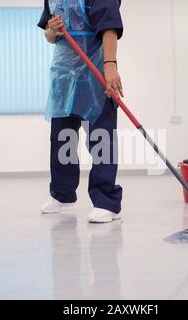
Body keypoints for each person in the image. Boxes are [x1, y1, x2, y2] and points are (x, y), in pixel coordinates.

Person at [38, 0, 124, 223]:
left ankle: (106, 201)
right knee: (62, 138)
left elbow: (109, 27)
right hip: (65, 76)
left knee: (101, 139)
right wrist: (52, 30)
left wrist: (110, 65)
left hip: (94, 73)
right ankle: (62, 194)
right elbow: (49, 35)